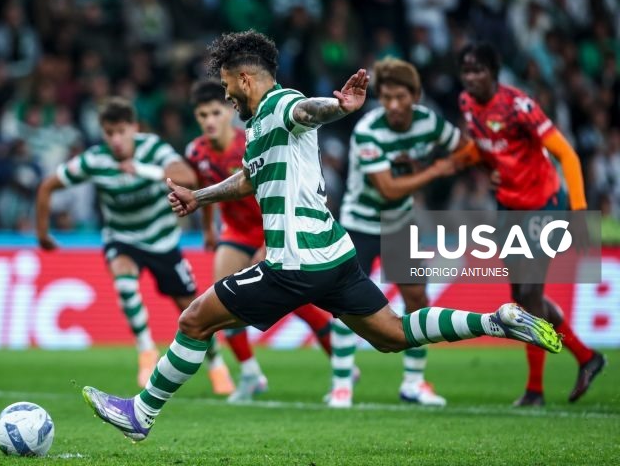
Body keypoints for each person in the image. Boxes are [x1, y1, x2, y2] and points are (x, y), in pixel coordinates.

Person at [81, 30, 562, 442]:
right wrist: (200, 197)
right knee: (393, 334)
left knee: (193, 322)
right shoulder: (260, 127)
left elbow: (306, 112)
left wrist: (337, 105)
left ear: (246, 78)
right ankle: (495, 320)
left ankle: (141, 413)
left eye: (228, 88)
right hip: (334, 254)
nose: (228, 98)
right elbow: (251, 178)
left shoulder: (278, 103)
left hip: (294, 260)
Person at [35, 97, 234, 394]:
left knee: (192, 310)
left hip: (163, 241)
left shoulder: (153, 150)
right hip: (122, 238)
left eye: (121, 131)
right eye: (109, 133)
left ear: (134, 128)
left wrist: (144, 171)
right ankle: (146, 351)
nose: (115, 140)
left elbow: (188, 177)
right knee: (123, 278)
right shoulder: (95, 160)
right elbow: (49, 184)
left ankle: (217, 363)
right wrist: (43, 233)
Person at [455, 42, 606, 406]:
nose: (471, 77)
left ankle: (535, 390)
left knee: (530, 294)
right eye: (466, 70)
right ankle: (587, 357)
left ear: (494, 73)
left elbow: (566, 154)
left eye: (478, 70)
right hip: (510, 208)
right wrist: (480, 167)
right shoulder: (466, 104)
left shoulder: (519, 106)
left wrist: (581, 211)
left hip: (546, 205)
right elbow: (486, 149)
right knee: (520, 298)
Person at [186, 79, 337, 403]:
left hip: (272, 226)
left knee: (291, 298)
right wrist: (210, 230)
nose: (209, 120)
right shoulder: (196, 151)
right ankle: (251, 374)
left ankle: (340, 361)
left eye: (215, 112)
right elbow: (205, 186)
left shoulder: (249, 144)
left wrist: (269, 241)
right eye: (202, 115)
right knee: (220, 297)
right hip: (236, 232)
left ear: (229, 111)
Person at [333, 58, 464, 408]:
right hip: (359, 224)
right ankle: (341, 385)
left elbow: (463, 148)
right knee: (346, 304)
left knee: (417, 299)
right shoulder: (368, 131)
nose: (392, 105)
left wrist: (490, 167)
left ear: (415, 96)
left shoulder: (430, 123)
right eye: (386, 97)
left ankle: (414, 383)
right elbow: (389, 188)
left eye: (399, 97)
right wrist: (436, 169)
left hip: (400, 224)